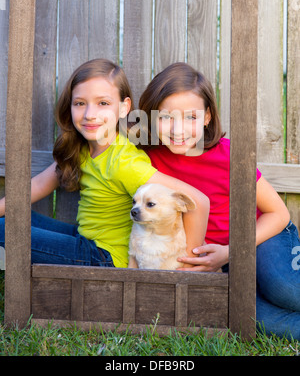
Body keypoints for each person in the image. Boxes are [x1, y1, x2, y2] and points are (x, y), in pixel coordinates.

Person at [139, 61, 300, 340]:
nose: (178, 129)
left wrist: (231, 250)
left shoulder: (227, 156)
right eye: (166, 117)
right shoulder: (145, 159)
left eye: (190, 117)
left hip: (259, 238)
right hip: (215, 262)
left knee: (283, 288)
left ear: (207, 117)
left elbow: (278, 213)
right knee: (251, 317)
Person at [0, 59, 209, 269]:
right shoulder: (82, 148)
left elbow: (199, 201)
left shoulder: (125, 162)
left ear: (124, 107)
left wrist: (188, 267)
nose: (90, 114)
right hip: (84, 239)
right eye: (80, 103)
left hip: (105, 257)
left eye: (103, 103)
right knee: (13, 215)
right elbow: (37, 185)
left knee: (3, 227)